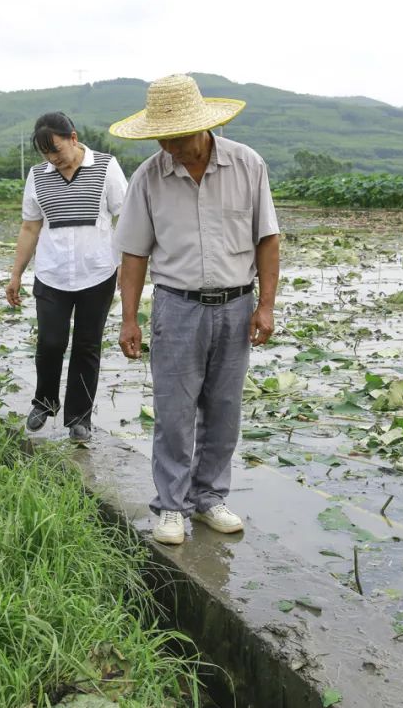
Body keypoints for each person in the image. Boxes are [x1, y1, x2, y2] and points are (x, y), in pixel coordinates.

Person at [111, 75, 280, 545]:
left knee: (224, 409)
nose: (170, 148)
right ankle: (171, 505)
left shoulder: (247, 165)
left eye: (178, 137)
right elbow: (134, 255)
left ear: (203, 127)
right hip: (177, 306)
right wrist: (129, 318)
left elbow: (267, 239)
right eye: (162, 139)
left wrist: (266, 306)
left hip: (236, 304)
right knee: (173, 411)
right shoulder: (149, 177)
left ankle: (208, 498)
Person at [5, 112, 127, 443]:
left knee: (87, 346)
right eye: (45, 153)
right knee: (50, 342)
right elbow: (30, 227)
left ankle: (79, 418)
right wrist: (15, 274)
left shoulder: (106, 167)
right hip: (52, 273)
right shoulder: (38, 176)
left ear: (73, 138)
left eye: (56, 150)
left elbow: (125, 218)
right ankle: (44, 402)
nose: (52, 159)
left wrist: (127, 267)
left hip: (97, 273)